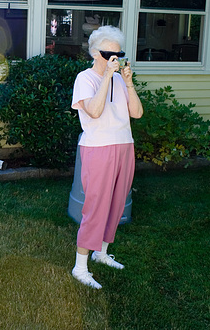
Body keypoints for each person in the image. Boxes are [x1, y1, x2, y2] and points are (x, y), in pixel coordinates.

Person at [70, 25, 143, 289]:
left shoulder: (120, 80)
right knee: (95, 208)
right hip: (98, 148)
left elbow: (137, 113)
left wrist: (128, 82)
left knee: (116, 203)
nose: (114, 58)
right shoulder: (85, 78)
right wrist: (106, 78)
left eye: (118, 53)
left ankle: (101, 252)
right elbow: (94, 111)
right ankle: (80, 267)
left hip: (124, 145)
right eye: (107, 53)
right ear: (93, 53)